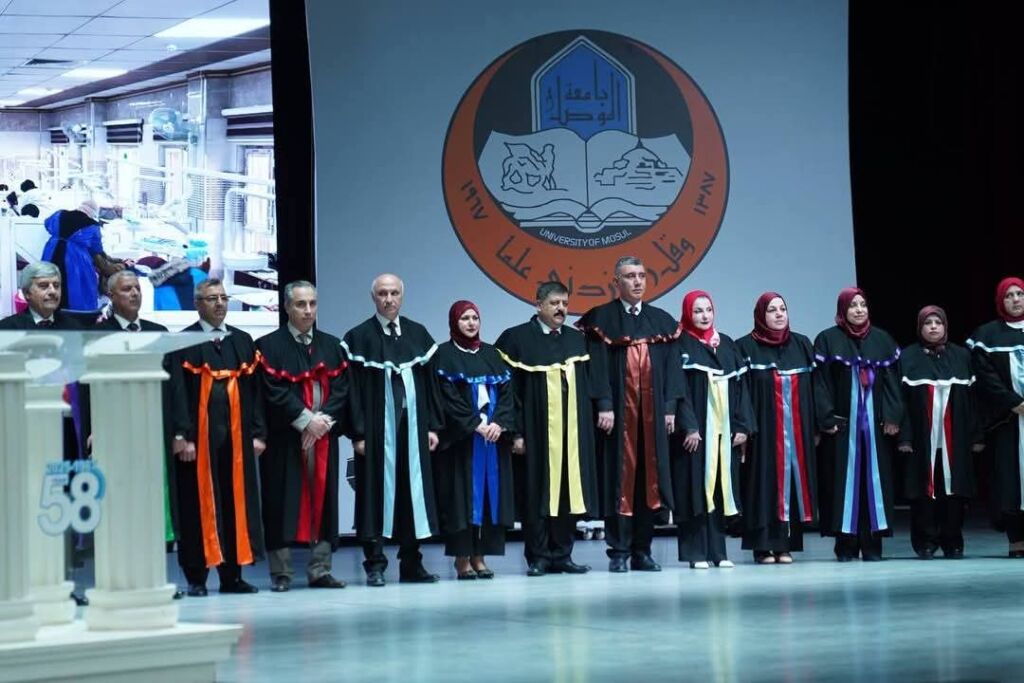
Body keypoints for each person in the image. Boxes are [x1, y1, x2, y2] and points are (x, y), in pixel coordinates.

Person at [576, 256, 685, 573]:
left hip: (653, 419)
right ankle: (619, 551)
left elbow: (672, 368)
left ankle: (642, 550)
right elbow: (596, 367)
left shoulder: (660, 320)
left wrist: (670, 409)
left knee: (649, 484)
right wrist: (604, 404)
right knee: (619, 481)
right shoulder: (601, 319)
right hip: (619, 418)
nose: (637, 281)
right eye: (629, 276)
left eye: (641, 275)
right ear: (617, 282)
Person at [495, 281, 606, 577]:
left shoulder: (577, 339)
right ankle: (539, 556)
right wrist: (515, 433)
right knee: (537, 494)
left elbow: (590, 384)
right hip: (536, 433)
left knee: (568, 492)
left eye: (565, 304)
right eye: (555, 303)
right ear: (539, 305)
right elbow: (509, 393)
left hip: (572, 434)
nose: (561, 309)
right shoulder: (517, 339)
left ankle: (563, 554)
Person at [342, 274, 443, 587]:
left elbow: (431, 386)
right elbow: (351, 391)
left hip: (412, 430)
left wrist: (432, 426)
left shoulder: (418, 334)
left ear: (402, 296)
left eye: (394, 293)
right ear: (373, 298)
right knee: (374, 496)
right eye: (383, 293)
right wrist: (358, 433)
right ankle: (375, 564)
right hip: (375, 433)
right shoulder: (358, 337)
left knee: (412, 496)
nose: (389, 299)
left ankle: (412, 563)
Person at [169, 278, 265, 596]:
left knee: (235, 505)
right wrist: (182, 436)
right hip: (198, 443)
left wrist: (258, 433)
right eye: (212, 298)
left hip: (236, 441)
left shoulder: (242, 340)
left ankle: (232, 576)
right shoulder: (183, 342)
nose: (220, 303)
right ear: (198, 304)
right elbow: (177, 393)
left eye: (223, 297)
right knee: (197, 508)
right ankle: (196, 578)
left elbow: (255, 393)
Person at [257, 281, 351, 591]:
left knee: (324, 502)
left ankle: (320, 569)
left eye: (312, 303)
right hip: (284, 438)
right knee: (280, 501)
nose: (308, 310)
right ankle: (281, 572)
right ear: (287, 307)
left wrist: (322, 422)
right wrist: (305, 420)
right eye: (300, 304)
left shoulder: (333, 346)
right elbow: (272, 391)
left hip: (323, 437)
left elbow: (342, 390)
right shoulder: (268, 346)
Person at [814, 287, 902, 561]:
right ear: (843, 310)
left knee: (873, 484)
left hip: (875, 429)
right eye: (852, 305)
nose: (859, 310)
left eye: (862, 304)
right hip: (842, 429)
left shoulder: (882, 339)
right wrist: (827, 418)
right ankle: (846, 545)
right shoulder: (828, 339)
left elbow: (893, 382)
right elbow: (821, 384)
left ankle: (873, 545)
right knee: (843, 485)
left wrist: (892, 416)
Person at [433, 300, 516, 579]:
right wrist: (475, 424)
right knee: (462, 500)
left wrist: (499, 423)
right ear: (454, 322)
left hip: (492, 439)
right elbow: (447, 398)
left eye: (475, 318)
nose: (471, 323)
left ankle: (480, 557)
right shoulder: (444, 355)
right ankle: (461, 559)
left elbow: (507, 394)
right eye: (465, 318)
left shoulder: (492, 354)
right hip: (463, 443)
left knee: (490, 498)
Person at [671, 290, 752, 569]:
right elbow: (678, 390)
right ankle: (695, 553)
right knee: (694, 489)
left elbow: (741, 390)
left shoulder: (726, 344)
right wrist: (689, 426)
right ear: (687, 313)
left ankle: (719, 552)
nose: (704, 316)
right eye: (697, 311)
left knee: (719, 487)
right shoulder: (680, 343)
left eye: (708, 310)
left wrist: (742, 426)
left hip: (723, 432)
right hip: (695, 433)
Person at [736, 293, 817, 564]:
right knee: (762, 484)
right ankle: (762, 546)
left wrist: (815, 427)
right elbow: (741, 393)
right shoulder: (745, 347)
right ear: (761, 315)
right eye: (772, 310)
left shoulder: (801, 344)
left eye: (783, 309)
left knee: (792, 483)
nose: (779, 314)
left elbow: (813, 389)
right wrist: (745, 427)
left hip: (796, 432)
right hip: (763, 433)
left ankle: (785, 545)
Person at [900, 305, 982, 559]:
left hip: (954, 439)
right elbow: (901, 403)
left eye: (938, 322)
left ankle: (952, 540)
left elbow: (973, 400)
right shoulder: (908, 357)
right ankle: (925, 541)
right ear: (920, 328)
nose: (933, 327)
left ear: (945, 326)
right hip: (921, 440)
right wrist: (905, 437)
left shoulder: (961, 356)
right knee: (922, 492)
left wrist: (976, 435)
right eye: (928, 323)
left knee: (954, 491)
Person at [968, 277, 1024, 557]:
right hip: (1007, 419)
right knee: (1010, 480)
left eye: (1019, 294)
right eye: (1008, 296)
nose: (1015, 300)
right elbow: (985, 376)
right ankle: (1017, 539)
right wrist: (1014, 402)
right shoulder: (988, 334)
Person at [41, 199, 127, 311]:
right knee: (75, 287)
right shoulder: (92, 225)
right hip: (75, 258)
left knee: (49, 281)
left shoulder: (60, 214)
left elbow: (47, 224)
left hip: (52, 251)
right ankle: (73, 314)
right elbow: (97, 249)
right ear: (92, 213)